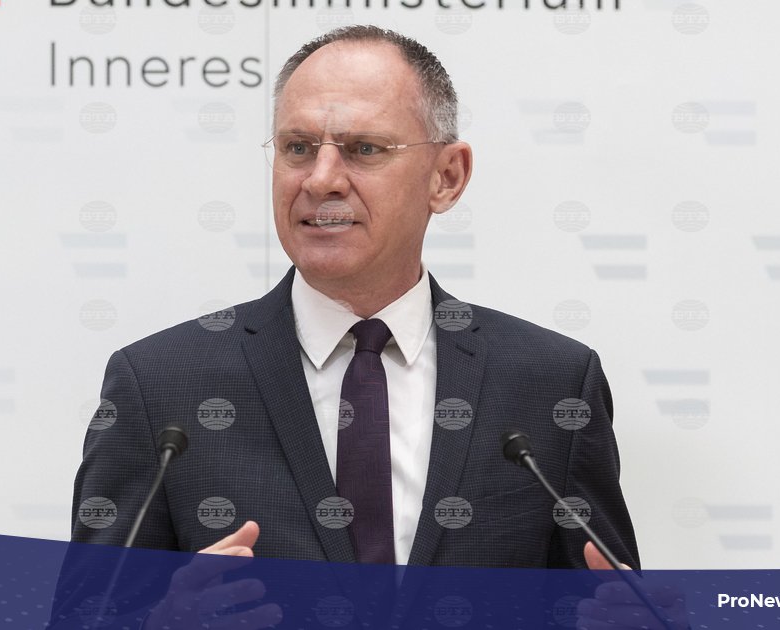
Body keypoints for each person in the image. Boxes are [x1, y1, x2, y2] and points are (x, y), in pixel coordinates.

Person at [71, 20, 639, 601]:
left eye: (364, 149)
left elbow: (607, 603)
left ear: (447, 177)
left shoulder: (551, 383)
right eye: (297, 148)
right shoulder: (159, 386)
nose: (320, 180)